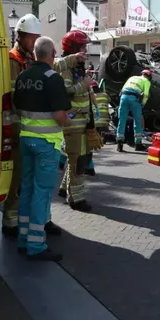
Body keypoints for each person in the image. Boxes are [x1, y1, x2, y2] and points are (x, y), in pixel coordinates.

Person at [14, 36, 72, 261]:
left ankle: (23, 239)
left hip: (25, 140)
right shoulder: (52, 78)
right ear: (52, 54)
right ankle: (36, 245)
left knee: (27, 189)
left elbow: (18, 107)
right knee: (42, 193)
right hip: (46, 144)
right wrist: (68, 119)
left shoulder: (23, 76)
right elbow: (59, 116)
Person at [54, 30, 101, 211]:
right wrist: (84, 84)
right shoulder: (65, 69)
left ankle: (64, 189)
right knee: (78, 160)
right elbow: (66, 90)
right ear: (72, 47)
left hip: (83, 121)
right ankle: (76, 199)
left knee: (78, 158)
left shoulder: (77, 68)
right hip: (74, 123)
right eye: (82, 46)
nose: (85, 50)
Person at [116, 70, 152, 153]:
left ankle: (119, 144)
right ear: (149, 77)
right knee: (137, 121)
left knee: (122, 120)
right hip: (134, 99)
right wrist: (142, 104)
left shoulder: (132, 77)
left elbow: (122, 90)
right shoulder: (146, 81)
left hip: (123, 97)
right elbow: (146, 95)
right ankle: (138, 144)